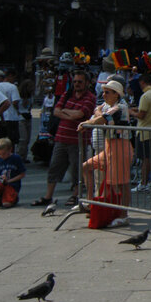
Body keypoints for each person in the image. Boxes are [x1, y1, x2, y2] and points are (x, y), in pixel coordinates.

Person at [32, 69, 95, 208]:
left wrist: (65, 112)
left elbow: (80, 114)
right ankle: (48, 196)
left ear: (87, 83)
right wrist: (69, 114)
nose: (77, 84)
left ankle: (76, 195)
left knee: (76, 170)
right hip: (61, 138)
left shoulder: (90, 98)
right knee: (54, 167)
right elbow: (56, 111)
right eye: (75, 82)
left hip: (77, 140)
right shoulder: (67, 95)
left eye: (80, 82)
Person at [80, 80, 133, 227]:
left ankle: (123, 215)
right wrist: (98, 114)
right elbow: (98, 110)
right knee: (86, 167)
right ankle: (91, 202)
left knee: (122, 182)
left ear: (116, 94)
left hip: (120, 146)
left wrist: (88, 122)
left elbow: (102, 117)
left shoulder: (120, 107)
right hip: (110, 146)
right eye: (103, 92)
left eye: (107, 92)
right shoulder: (110, 106)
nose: (104, 94)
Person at [131, 74, 151, 192]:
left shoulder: (145, 96)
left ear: (142, 83)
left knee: (146, 159)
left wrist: (131, 112)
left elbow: (141, 115)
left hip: (144, 131)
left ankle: (144, 182)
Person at [0, 137, 26, 208]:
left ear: (10, 150)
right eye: (0, 154)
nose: (2, 156)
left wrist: (9, 181)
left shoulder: (16, 158)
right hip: (0, 182)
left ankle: (13, 198)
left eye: (4, 153)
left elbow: (22, 174)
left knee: (6, 205)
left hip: (12, 184)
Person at [0, 69, 21, 153]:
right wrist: (17, 110)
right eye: (14, 78)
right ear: (10, 76)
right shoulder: (12, 87)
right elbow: (15, 101)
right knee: (11, 141)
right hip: (11, 117)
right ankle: (10, 156)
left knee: (0, 140)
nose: (14, 80)